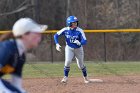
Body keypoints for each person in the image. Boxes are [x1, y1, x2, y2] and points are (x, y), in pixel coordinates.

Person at [0, 18, 47, 93]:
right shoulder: (7, 48)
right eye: (36, 33)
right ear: (24, 34)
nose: (40, 36)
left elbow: (16, 85)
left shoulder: (21, 56)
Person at [54, 16, 91, 83]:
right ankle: (65, 77)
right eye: (73, 23)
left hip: (78, 49)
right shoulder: (65, 30)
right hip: (69, 48)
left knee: (80, 65)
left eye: (76, 22)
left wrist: (80, 43)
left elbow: (85, 41)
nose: (75, 24)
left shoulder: (79, 31)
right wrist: (57, 44)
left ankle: (86, 77)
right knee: (67, 61)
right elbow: (56, 35)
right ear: (69, 23)